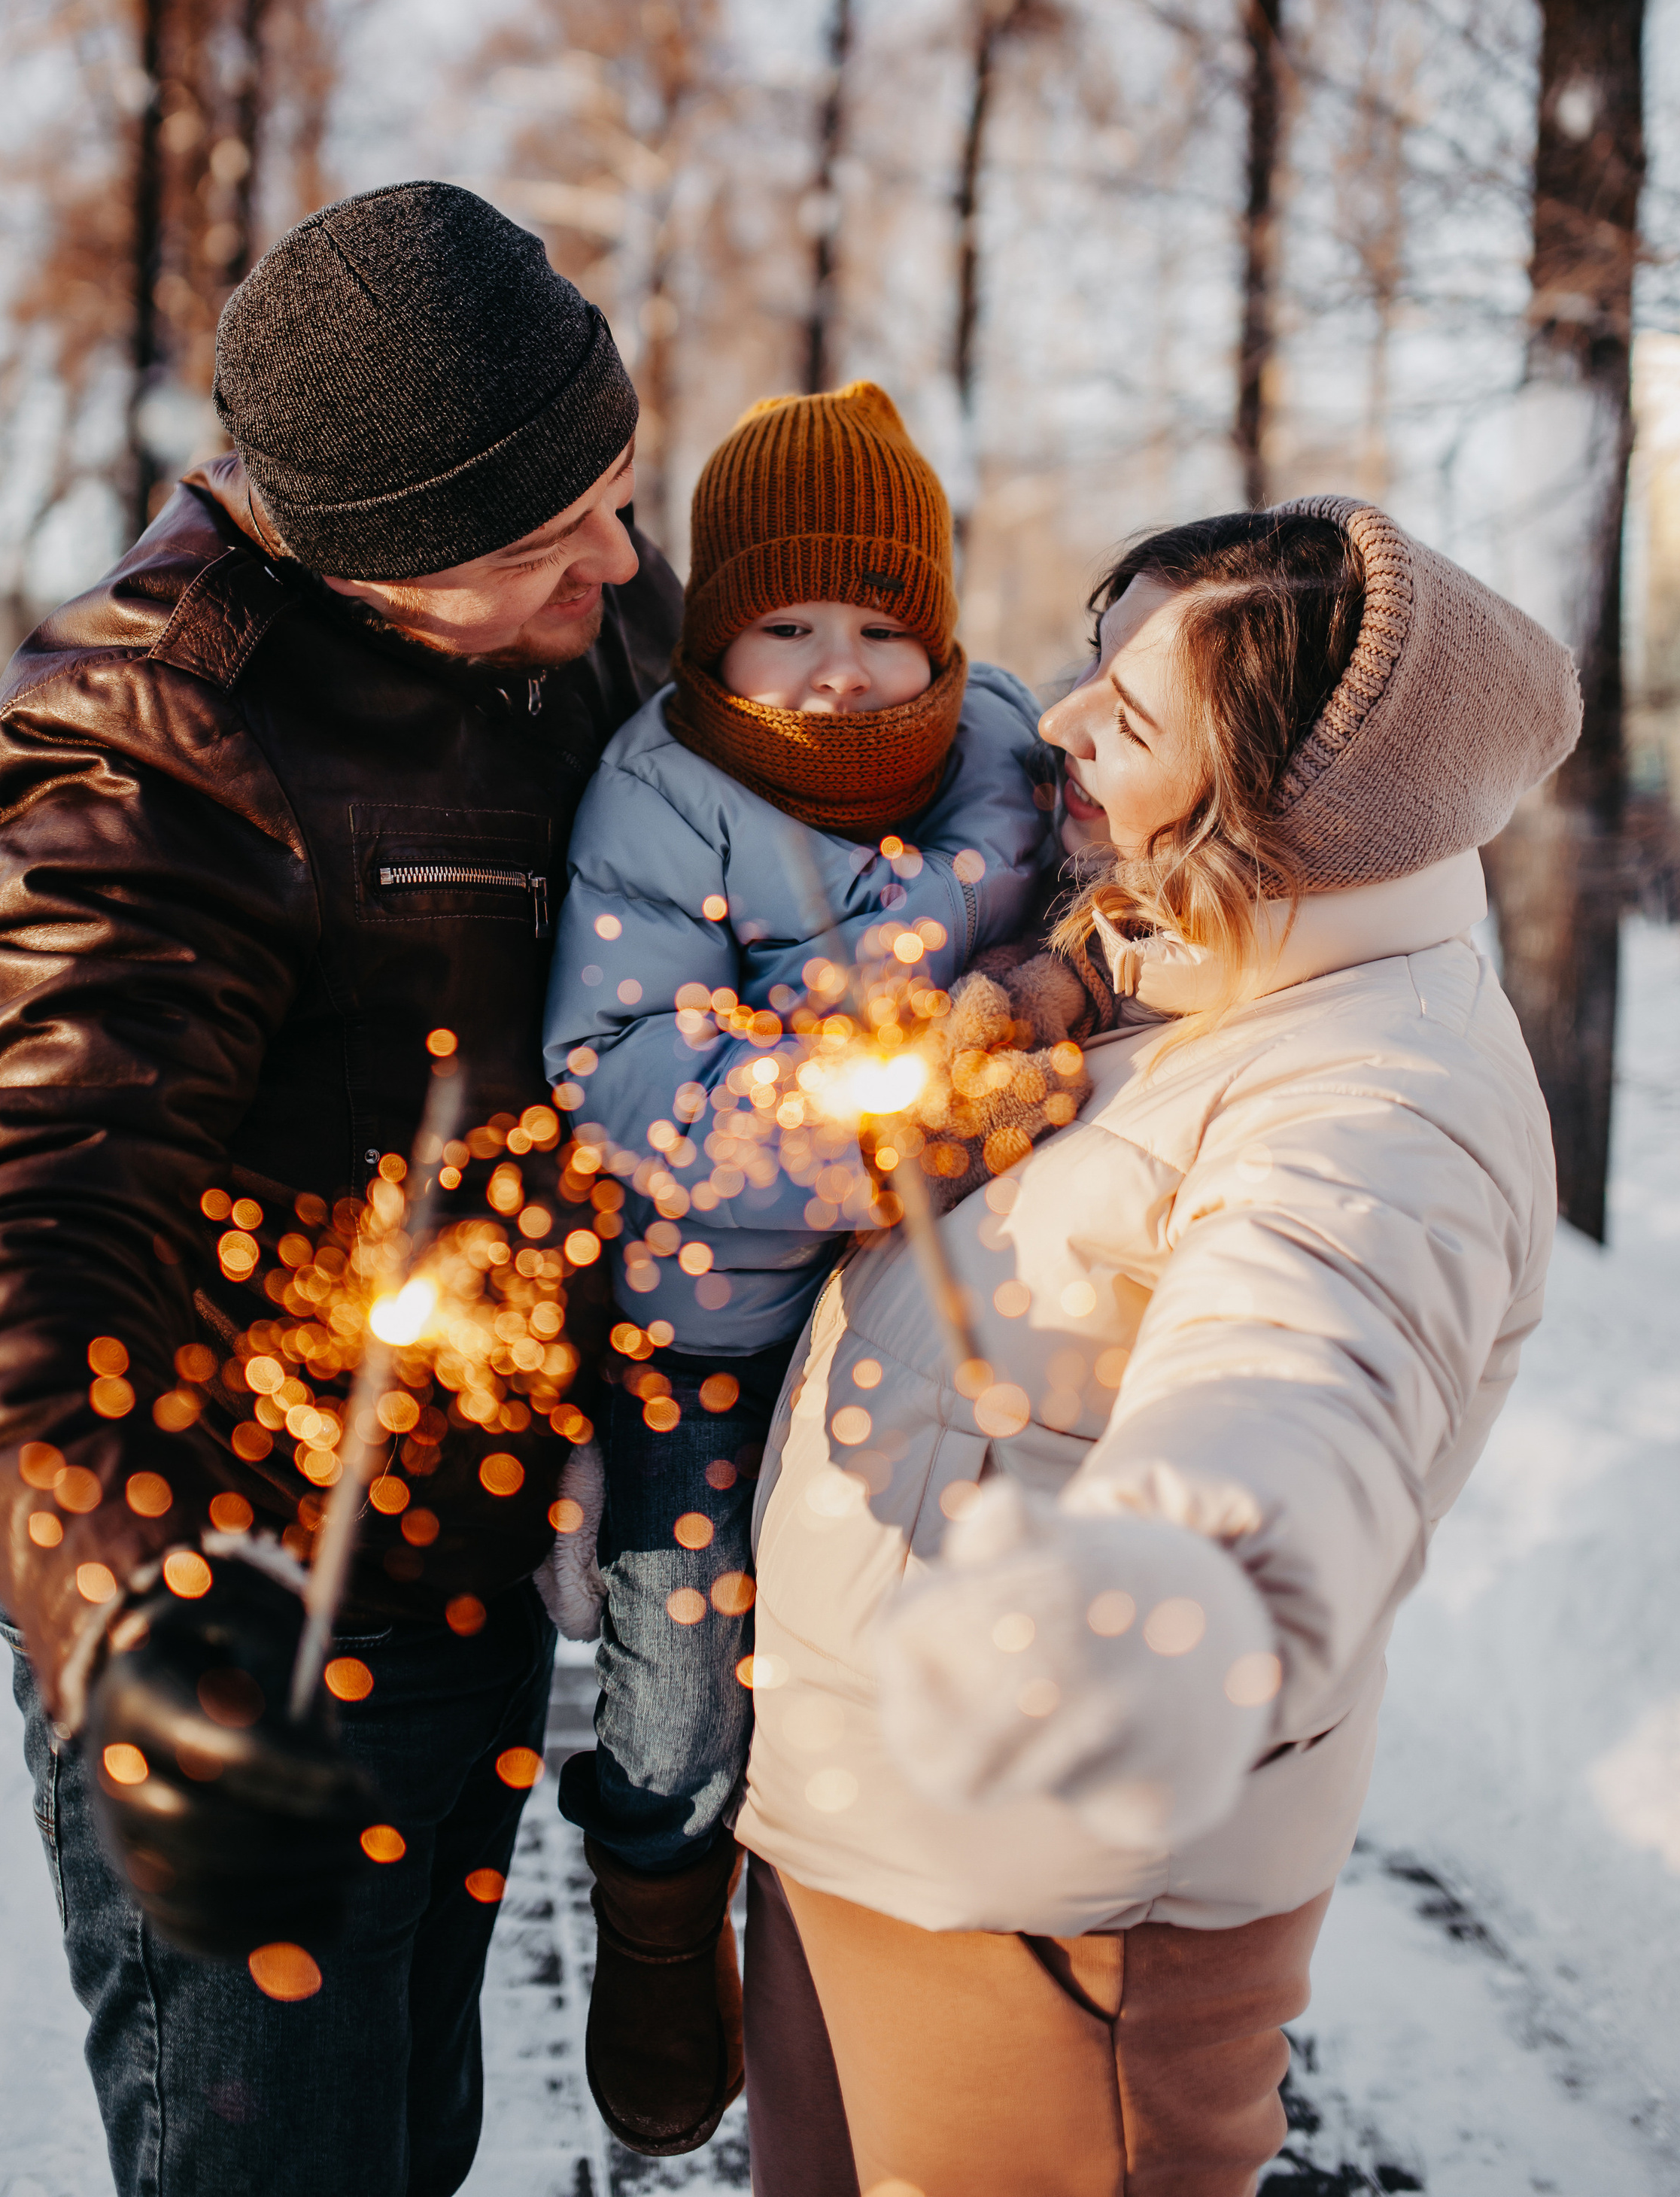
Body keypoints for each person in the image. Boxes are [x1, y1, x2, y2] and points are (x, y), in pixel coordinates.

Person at [0, 182, 682, 2197]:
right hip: (252, 1637)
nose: (615, 556)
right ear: (367, 563)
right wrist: (137, 1620)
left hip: (475, 1585)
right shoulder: (162, 725)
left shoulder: (584, 621)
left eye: (617, 487)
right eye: (535, 539)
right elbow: (26, 1234)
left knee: (415, 2147)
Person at [732, 497, 1581, 2197]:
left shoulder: (1374, 1092)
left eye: (1125, 721)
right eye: (1084, 675)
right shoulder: (1140, 986)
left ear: (1287, 807)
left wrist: (1151, 1601)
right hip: (866, 1840)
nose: (1052, 726)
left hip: (1055, 1909)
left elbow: (1294, 1375)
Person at [540, 381, 1095, 2156]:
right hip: (706, 1327)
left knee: (923, 1647)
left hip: (927, 1320)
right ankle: (651, 1912)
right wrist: (884, 1133)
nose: (838, 669)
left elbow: (1103, 904)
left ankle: (900, 1942)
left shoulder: (1005, 758)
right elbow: (618, 1075)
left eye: (877, 625)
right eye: (787, 625)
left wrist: (1057, 996)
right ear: (715, 633)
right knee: (684, 1665)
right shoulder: (663, 791)